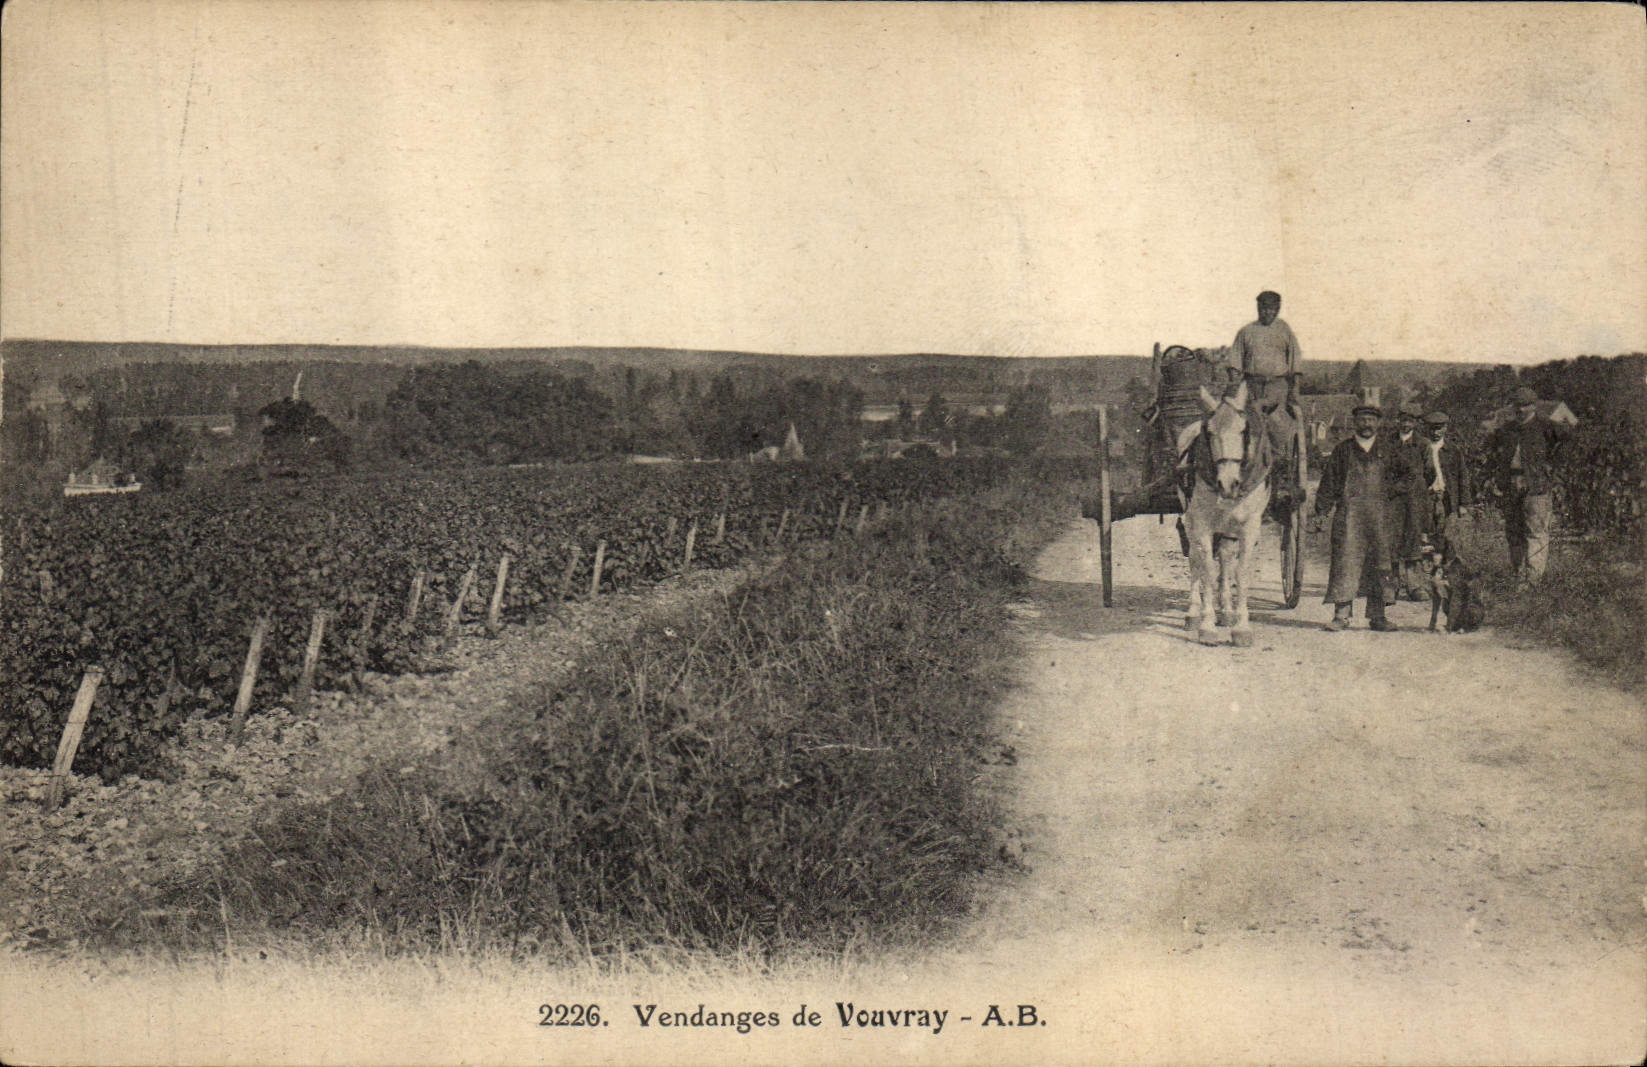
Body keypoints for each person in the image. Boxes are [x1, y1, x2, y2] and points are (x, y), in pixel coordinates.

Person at [1310, 399, 1413, 631]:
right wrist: (1321, 511)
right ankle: (1341, 615)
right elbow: (1329, 483)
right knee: (1345, 562)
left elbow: (1408, 476)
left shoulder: (1389, 450)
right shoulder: (1343, 450)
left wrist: (1392, 493)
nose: (1366, 424)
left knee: (1381, 564)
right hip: (1349, 517)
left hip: (1381, 518)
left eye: (1371, 419)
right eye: (1362, 419)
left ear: (1378, 423)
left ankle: (1378, 616)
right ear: (1354, 422)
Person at [1486, 386, 1571, 583]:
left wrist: (1552, 465)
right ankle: (1518, 574)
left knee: (1536, 531)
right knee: (1513, 531)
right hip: (1511, 483)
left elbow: (1568, 441)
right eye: (1517, 405)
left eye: (1525, 406)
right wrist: (1497, 475)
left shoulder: (1545, 426)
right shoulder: (1507, 429)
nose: (1521, 410)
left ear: (1534, 406)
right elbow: (1492, 449)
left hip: (1536, 484)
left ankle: (1533, 580)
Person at [1226, 290, 1303, 505]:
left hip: (1278, 386)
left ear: (1277, 309)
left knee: (1278, 427)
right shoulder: (1246, 332)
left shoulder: (1284, 330)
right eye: (1263, 308)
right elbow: (1235, 362)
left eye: (1271, 308)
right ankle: (1243, 475)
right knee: (1247, 427)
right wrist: (1234, 384)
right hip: (1252, 385)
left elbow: (1295, 361)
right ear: (1257, 308)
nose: (1267, 312)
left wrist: (1294, 388)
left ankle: (1280, 475)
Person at [1388, 400, 1430, 599]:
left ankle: (1415, 586)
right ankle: (1393, 584)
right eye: (1403, 420)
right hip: (1392, 498)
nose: (1406, 425)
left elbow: (1429, 472)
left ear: (1416, 423)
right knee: (1393, 538)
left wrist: (1417, 488)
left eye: (1410, 421)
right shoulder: (1387, 441)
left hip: (1414, 498)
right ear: (1398, 421)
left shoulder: (1422, 444)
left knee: (1413, 538)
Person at [1417, 410, 1472, 552]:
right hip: (1426, 496)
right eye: (1432, 428)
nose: (1435, 432)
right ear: (1426, 428)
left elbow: (1462, 476)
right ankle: (1428, 567)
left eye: (1439, 428)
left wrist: (1464, 503)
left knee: (1447, 533)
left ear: (1445, 428)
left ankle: (1444, 565)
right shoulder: (1420, 448)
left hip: (1446, 497)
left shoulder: (1453, 450)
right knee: (1426, 532)